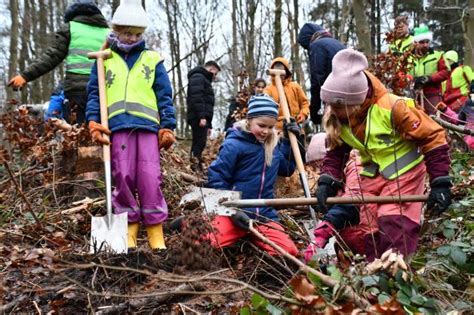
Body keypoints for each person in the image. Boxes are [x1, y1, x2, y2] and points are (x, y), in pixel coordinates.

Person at [306, 49, 451, 261]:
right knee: (363, 224)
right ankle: (369, 273)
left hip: (405, 172)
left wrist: (440, 181)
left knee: (393, 224)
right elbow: (337, 151)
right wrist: (327, 181)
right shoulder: (340, 117)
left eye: (338, 106)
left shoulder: (393, 107)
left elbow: (433, 137)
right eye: (331, 104)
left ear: (354, 101)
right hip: (372, 170)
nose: (333, 110)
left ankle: (394, 274)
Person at [86, 0, 176, 250]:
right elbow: (95, 93)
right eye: (126, 33)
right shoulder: (104, 59)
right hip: (118, 128)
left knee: (149, 177)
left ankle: (155, 231)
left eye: (137, 34)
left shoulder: (152, 59)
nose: (131, 38)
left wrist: (167, 126)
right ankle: (129, 229)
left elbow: (164, 95)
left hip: (147, 128)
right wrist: (93, 122)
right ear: (115, 30)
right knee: (122, 177)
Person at [206, 95, 302, 256]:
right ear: (249, 120)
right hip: (234, 212)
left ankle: (250, 239)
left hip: (263, 214)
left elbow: (286, 169)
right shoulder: (234, 144)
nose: (266, 131)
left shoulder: (273, 145)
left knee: (289, 252)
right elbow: (217, 178)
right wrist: (232, 209)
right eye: (261, 125)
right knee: (205, 243)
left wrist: (289, 142)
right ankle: (189, 222)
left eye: (271, 127)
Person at [9, 0, 109, 124]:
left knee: (76, 132)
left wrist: (25, 76)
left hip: (76, 90)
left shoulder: (71, 27)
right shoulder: (108, 33)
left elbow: (52, 56)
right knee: (99, 130)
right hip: (103, 90)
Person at [297, 23, 345, 126]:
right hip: (349, 96)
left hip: (333, 98)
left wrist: (314, 110)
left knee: (334, 133)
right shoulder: (338, 43)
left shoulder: (316, 46)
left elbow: (318, 79)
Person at [186, 60, 221, 171]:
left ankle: (196, 165)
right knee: (198, 142)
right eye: (215, 73)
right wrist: (202, 117)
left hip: (202, 117)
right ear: (210, 70)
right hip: (198, 116)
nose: (215, 77)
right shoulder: (198, 77)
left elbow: (206, 102)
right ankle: (194, 166)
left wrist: (209, 124)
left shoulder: (203, 79)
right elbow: (197, 97)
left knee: (200, 142)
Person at [410, 25, 450, 115]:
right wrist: (411, 79)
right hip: (412, 94)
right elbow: (401, 73)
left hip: (432, 94)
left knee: (434, 120)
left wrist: (429, 78)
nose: (425, 45)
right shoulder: (408, 58)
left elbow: (445, 72)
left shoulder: (438, 55)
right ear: (415, 43)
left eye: (427, 42)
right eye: (422, 42)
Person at [264, 57, 310, 129]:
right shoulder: (268, 90)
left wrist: (303, 114)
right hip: (277, 129)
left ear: (286, 72)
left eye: (282, 72)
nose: (279, 75)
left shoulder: (295, 87)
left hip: (296, 125)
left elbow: (305, 103)